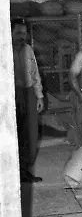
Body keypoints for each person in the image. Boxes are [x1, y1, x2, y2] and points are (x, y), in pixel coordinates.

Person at [12, 18, 45, 182]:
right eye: (18, 33)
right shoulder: (4, 49)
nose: (22, 37)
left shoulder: (28, 49)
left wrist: (39, 95)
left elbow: (35, 73)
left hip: (29, 93)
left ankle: (24, 171)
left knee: (30, 133)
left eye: (24, 33)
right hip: (11, 95)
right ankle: (12, 172)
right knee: (13, 133)